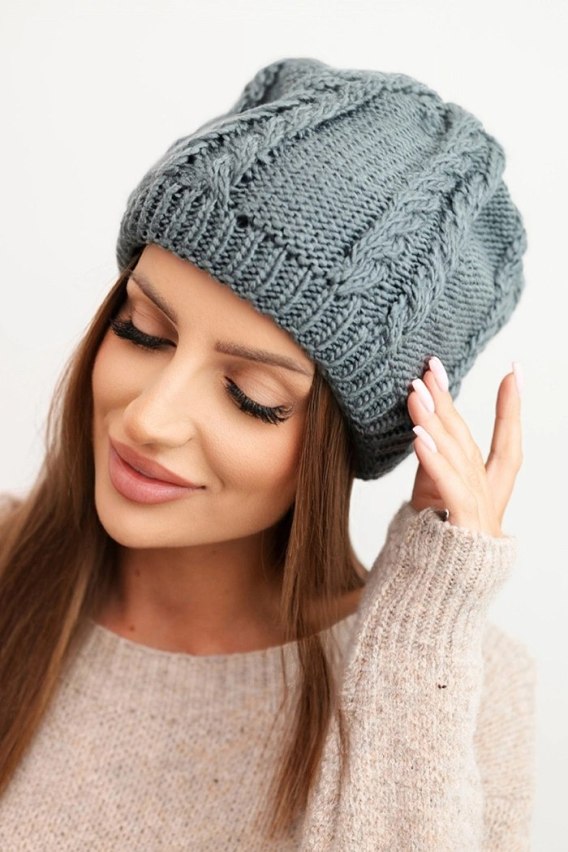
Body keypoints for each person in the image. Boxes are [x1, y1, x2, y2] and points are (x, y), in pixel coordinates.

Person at [0, 57, 536, 850]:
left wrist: (421, 634)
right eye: (141, 332)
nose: (149, 418)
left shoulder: (463, 688)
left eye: (251, 395)